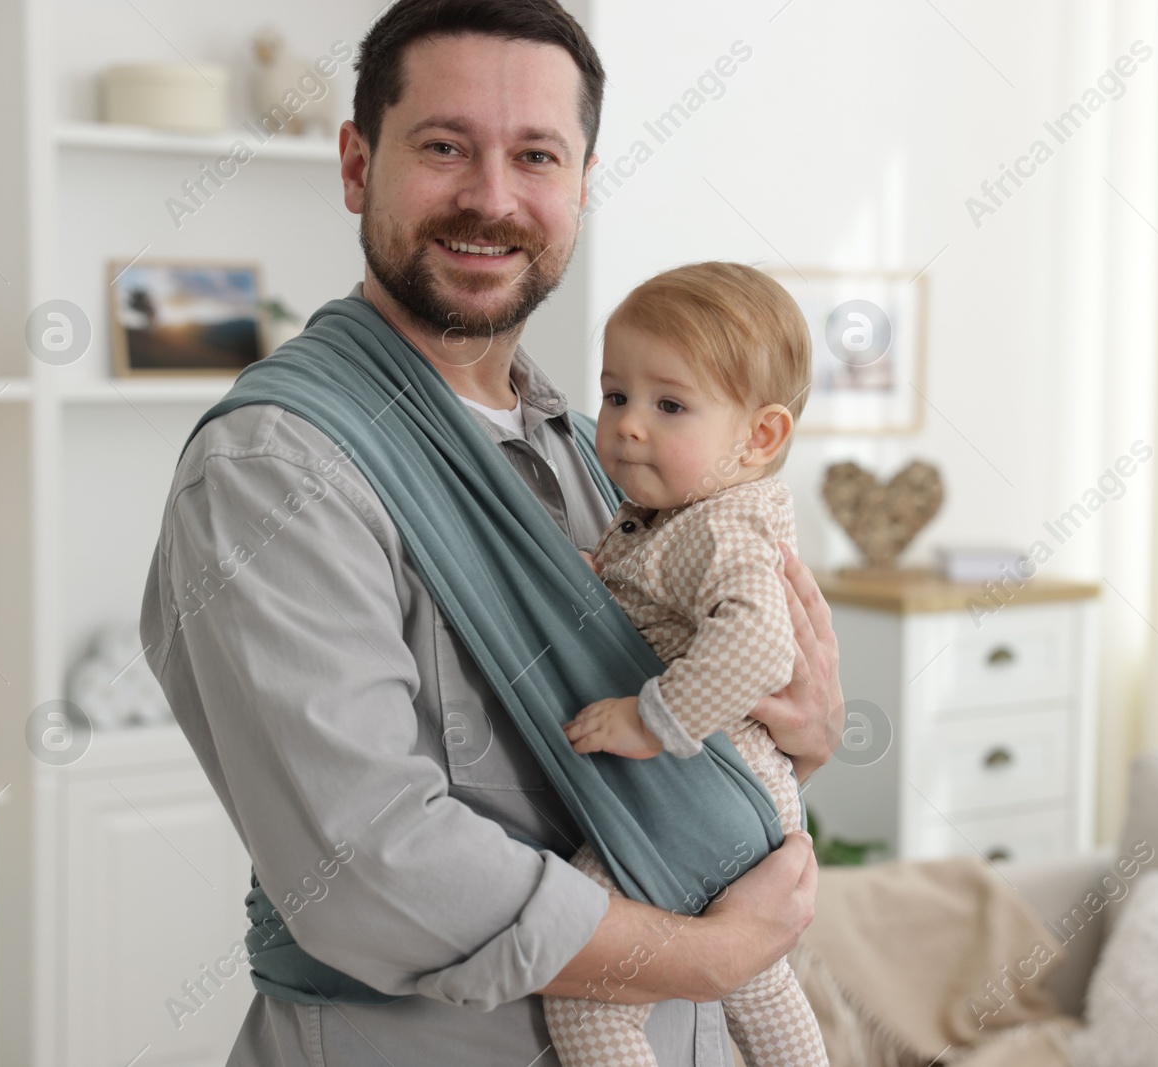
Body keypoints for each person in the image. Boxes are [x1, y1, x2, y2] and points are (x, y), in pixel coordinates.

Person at [138, 2, 845, 1064]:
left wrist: (806, 737)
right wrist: (706, 956)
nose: (491, 197)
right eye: (443, 147)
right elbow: (373, 862)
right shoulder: (279, 466)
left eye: (536, 155)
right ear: (355, 165)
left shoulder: (602, 448)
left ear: (579, 186)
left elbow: (661, 750)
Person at [546, 262, 828, 1067]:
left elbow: (759, 646)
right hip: (746, 800)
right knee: (762, 983)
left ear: (760, 437)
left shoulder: (719, 530)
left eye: (669, 405)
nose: (629, 425)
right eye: (615, 395)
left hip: (696, 795)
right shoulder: (682, 517)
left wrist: (649, 719)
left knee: (585, 992)